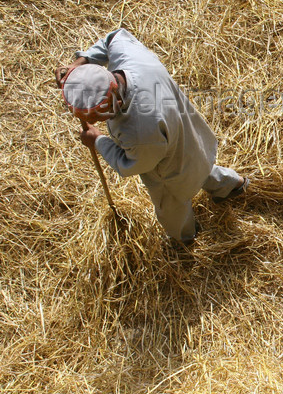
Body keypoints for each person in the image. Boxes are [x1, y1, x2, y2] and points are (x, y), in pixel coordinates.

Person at [56, 28, 248, 246]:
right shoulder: (130, 58)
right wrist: (79, 65)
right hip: (190, 133)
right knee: (200, 164)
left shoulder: (140, 131)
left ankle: (184, 236)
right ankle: (232, 185)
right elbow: (113, 38)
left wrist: (98, 140)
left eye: (96, 116)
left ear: (116, 103)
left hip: (170, 171)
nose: (95, 121)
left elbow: (130, 165)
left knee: (172, 205)